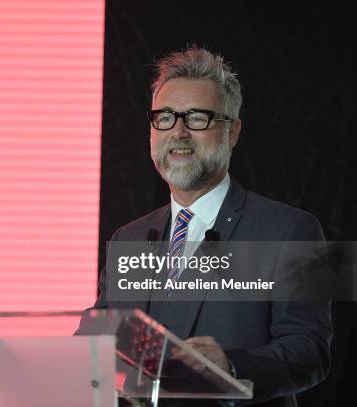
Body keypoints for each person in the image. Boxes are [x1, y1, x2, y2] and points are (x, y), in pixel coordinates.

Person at [92, 47, 332, 406]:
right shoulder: (129, 238)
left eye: (197, 118)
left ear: (232, 132)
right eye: (166, 117)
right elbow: (102, 340)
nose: (179, 133)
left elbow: (309, 350)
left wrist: (231, 368)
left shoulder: (291, 231)